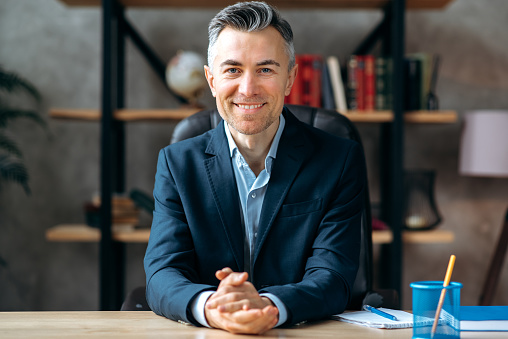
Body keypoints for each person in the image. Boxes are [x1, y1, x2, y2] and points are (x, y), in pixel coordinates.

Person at [144, 1, 366, 335]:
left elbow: (332, 275)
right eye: (232, 70)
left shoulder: (339, 159)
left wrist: (270, 307)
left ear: (290, 78)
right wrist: (210, 307)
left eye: (265, 69)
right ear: (211, 80)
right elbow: (163, 273)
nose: (248, 89)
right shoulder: (177, 164)